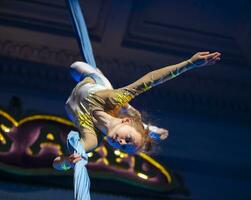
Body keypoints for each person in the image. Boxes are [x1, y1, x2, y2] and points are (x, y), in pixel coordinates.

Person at [53, 51, 221, 167]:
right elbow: (151, 80)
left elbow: (57, 163)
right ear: (125, 121)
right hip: (93, 82)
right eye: (128, 139)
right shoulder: (114, 99)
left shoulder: (92, 139)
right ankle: (146, 126)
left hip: (77, 103)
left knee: (131, 115)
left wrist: (69, 162)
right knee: (74, 66)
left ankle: (145, 127)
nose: (120, 142)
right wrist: (189, 63)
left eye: (123, 147)